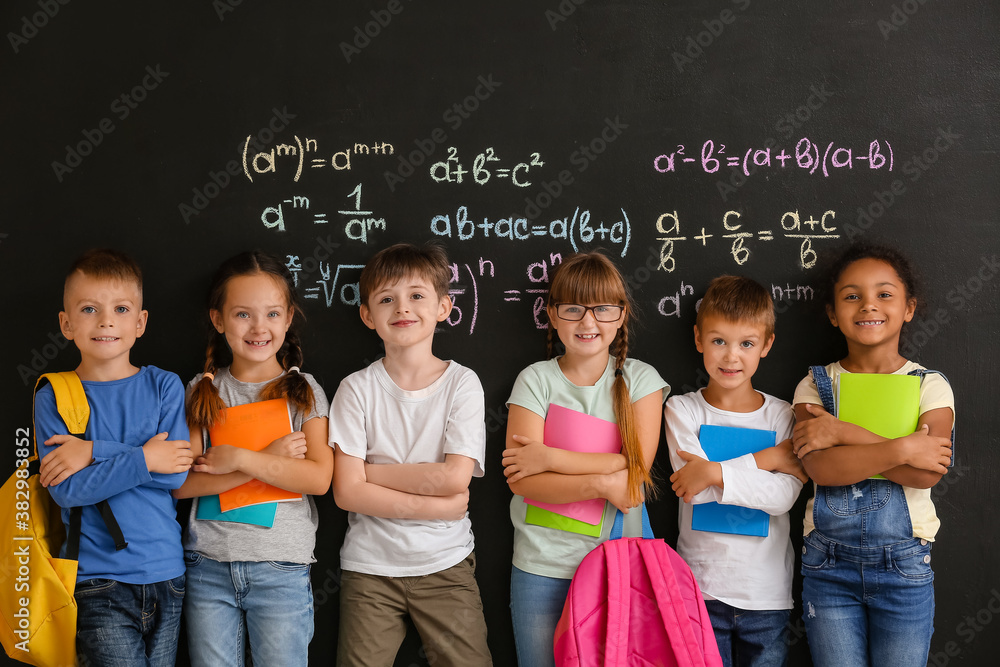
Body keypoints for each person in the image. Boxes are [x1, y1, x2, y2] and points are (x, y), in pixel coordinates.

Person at [501, 251, 669, 667]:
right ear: (553, 316)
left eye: (602, 309)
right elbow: (523, 480)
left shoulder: (641, 380)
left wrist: (550, 456)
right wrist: (602, 477)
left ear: (621, 316)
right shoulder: (535, 379)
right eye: (573, 309)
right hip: (542, 562)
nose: (588, 322)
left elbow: (636, 475)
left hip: (621, 561)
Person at [791, 242, 954, 667]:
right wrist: (903, 447)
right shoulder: (814, 385)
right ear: (832, 313)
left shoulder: (929, 386)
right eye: (851, 296)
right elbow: (822, 469)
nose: (868, 306)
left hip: (905, 566)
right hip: (828, 566)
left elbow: (926, 474)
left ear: (909, 308)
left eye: (884, 294)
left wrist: (841, 431)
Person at [329, 242, 492, 667]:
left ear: (443, 306)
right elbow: (347, 493)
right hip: (370, 568)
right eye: (386, 299)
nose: (403, 307)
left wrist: (371, 474)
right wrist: (440, 508)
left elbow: (455, 479)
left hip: (446, 564)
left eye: (417, 295)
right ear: (368, 315)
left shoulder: (462, 384)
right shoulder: (355, 389)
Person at [34, 248, 193, 666]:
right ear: (67, 324)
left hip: (167, 574)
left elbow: (174, 473)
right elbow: (68, 492)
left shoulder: (165, 386)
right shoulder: (54, 395)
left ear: (140, 322)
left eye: (121, 309)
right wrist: (147, 458)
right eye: (89, 309)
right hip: (97, 581)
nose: (106, 321)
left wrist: (92, 451)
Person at [174, 251, 332, 667]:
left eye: (272, 314)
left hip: (281, 569)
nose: (259, 328)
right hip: (207, 568)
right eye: (243, 314)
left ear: (289, 317)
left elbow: (317, 478)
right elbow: (182, 484)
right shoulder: (200, 391)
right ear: (218, 319)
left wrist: (240, 458)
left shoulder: (305, 391)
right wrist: (268, 460)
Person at [664, 275, 807, 666]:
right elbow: (694, 487)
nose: (731, 357)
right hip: (699, 590)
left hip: (766, 594)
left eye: (746, 343)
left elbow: (781, 499)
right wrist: (768, 460)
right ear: (698, 340)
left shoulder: (781, 415)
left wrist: (713, 472)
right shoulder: (683, 409)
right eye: (718, 341)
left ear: (766, 345)